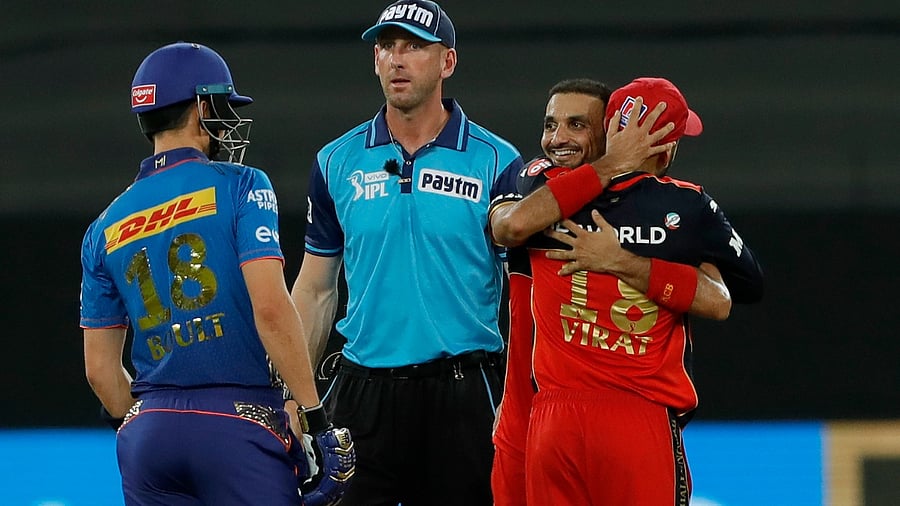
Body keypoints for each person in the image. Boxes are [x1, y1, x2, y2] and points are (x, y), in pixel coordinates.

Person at [79, 41, 354, 506]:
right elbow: (270, 307)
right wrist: (315, 416)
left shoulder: (103, 227)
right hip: (239, 427)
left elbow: (101, 371)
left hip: (148, 438)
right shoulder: (242, 185)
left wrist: (152, 420)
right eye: (222, 106)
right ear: (203, 106)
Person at [290, 1, 524, 503]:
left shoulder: (498, 162)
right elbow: (315, 287)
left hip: (463, 391)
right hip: (363, 394)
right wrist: (293, 392)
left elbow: (523, 293)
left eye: (415, 46)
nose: (397, 59)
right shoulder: (336, 161)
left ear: (448, 62)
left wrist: (520, 392)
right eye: (387, 46)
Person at [490, 77, 764, 505]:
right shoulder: (687, 207)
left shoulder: (544, 188)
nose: (558, 138)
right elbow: (730, 296)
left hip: (551, 418)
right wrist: (631, 261)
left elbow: (510, 226)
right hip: (639, 414)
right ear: (666, 145)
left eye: (576, 125)